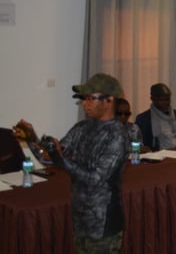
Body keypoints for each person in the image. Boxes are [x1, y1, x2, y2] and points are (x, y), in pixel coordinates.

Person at [14, 73, 129, 253]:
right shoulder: (82, 128)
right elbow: (48, 159)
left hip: (103, 224)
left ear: (109, 100)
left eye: (91, 98)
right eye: (84, 99)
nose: (85, 103)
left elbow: (95, 179)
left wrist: (61, 161)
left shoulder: (118, 136)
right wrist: (32, 139)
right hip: (81, 219)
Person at [134, 83, 176, 151]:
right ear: (152, 99)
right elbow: (136, 144)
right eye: (161, 100)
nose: (165, 103)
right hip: (162, 154)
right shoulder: (143, 119)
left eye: (167, 99)